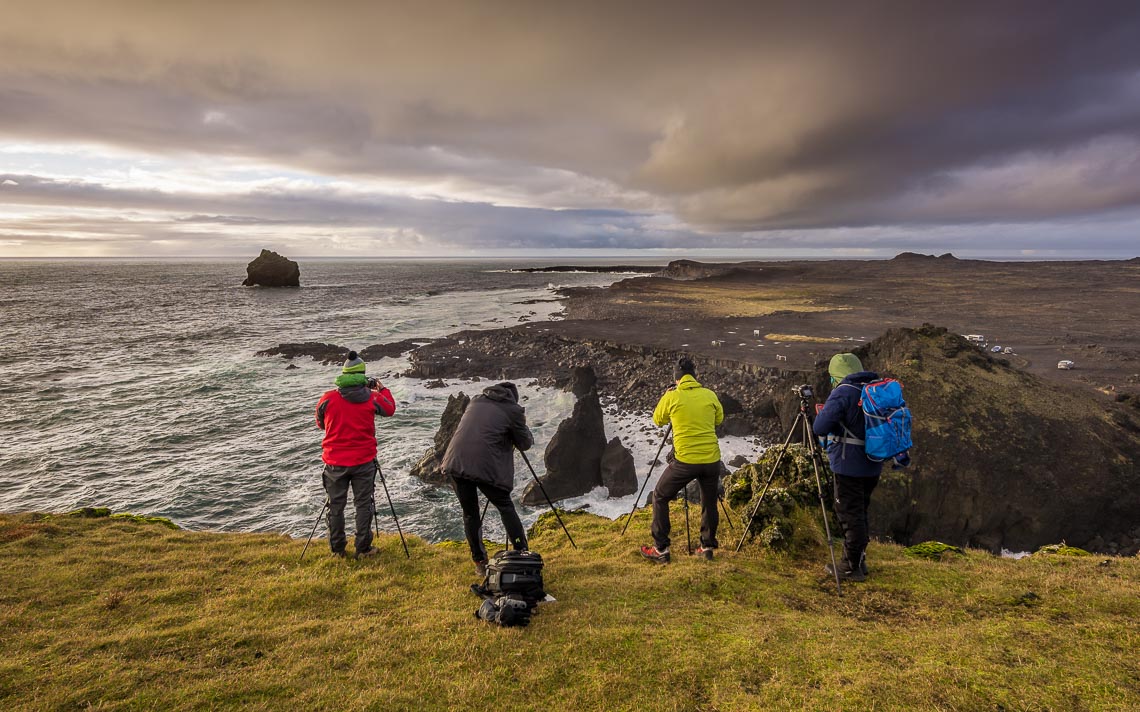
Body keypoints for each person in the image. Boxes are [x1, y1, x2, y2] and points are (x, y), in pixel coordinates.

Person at [811, 352, 908, 581]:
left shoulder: (843, 392)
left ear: (836, 375)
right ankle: (859, 561)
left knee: (849, 514)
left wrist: (819, 412)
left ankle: (849, 566)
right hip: (872, 463)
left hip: (848, 466)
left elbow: (820, 427)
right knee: (860, 511)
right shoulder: (872, 390)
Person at [441, 381, 533, 577]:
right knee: (505, 506)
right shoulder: (513, 410)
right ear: (512, 397)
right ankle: (521, 552)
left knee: (470, 514)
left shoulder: (475, 402)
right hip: (484, 466)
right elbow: (524, 443)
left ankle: (479, 562)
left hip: (455, 462)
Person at [640, 357, 725, 563]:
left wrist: (667, 396)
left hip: (686, 461)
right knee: (709, 501)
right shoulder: (709, 394)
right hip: (712, 460)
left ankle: (661, 549)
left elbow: (658, 419)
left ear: (676, 378)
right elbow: (718, 419)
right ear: (695, 376)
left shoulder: (672, 396)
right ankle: (707, 546)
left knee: (660, 495)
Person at [315, 351, 397, 558]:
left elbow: (319, 423)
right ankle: (363, 549)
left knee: (335, 507)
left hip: (334, 462)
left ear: (343, 374)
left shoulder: (328, 398)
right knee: (363, 505)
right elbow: (389, 409)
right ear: (362, 376)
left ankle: (337, 550)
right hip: (363, 461)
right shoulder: (372, 397)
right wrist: (383, 389)